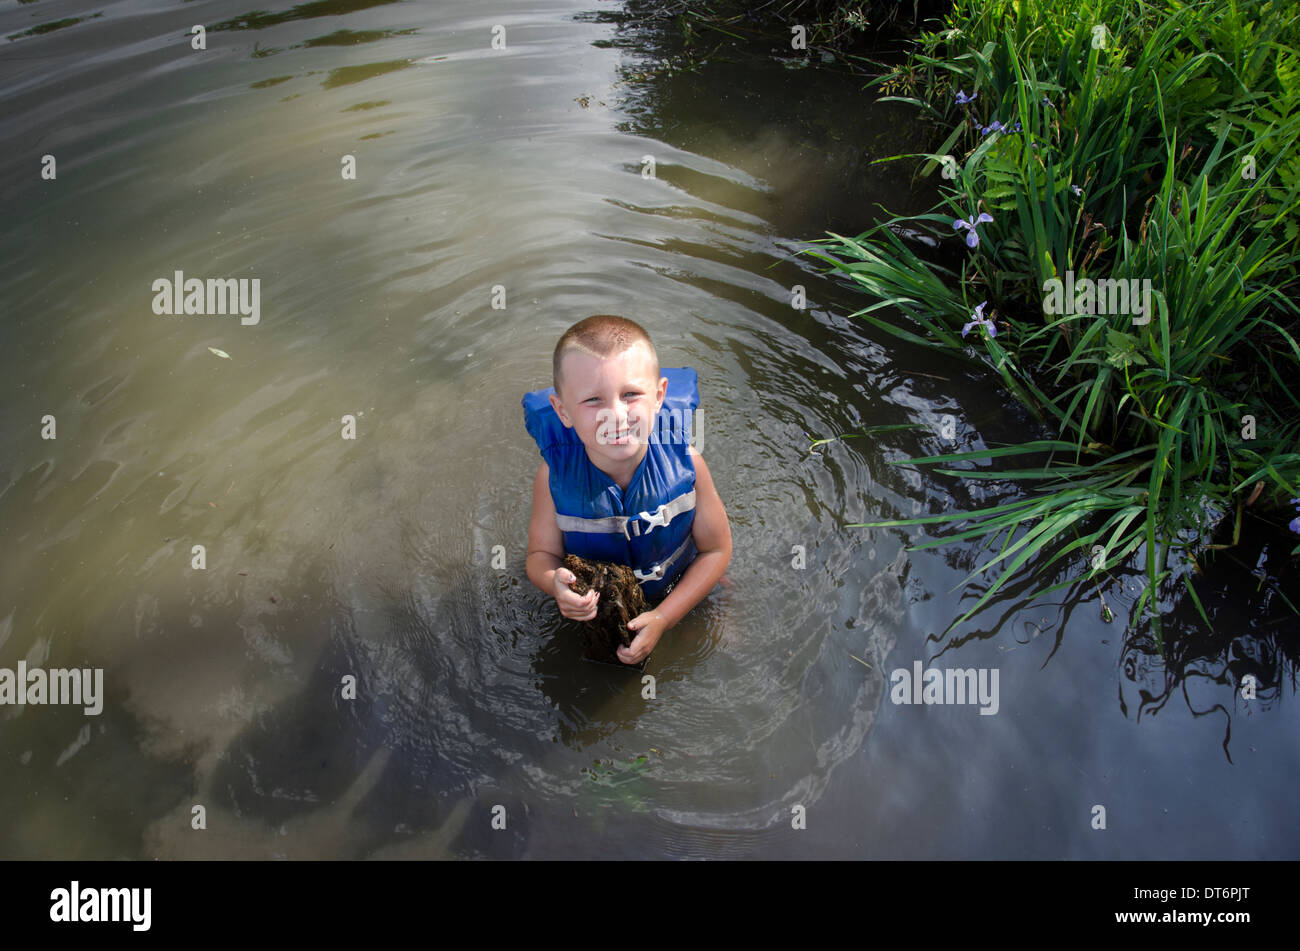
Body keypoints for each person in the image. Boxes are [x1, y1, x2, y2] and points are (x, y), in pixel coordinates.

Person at [523, 315, 731, 665]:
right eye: (593, 400)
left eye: (631, 394)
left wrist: (666, 617)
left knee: (716, 642)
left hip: (676, 584)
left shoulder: (689, 465)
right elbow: (539, 556)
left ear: (659, 396)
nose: (615, 416)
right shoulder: (552, 477)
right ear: (563, 411)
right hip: (596, 605)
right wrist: (553, 585)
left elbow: (716, 551)